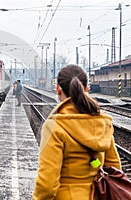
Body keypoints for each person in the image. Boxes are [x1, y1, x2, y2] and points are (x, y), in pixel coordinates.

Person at [32, 64, 121, 200]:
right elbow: (114, 167)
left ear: (58, 90)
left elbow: (47, 185)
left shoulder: (54, 126)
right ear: (87, 88)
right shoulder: (102, 122)